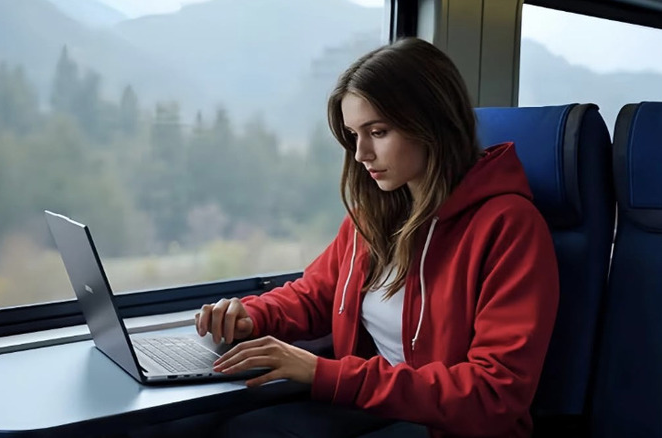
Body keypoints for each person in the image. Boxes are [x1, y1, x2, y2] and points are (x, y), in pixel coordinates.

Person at [194, 37, 559, 438]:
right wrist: (251, 316)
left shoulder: (509, 227)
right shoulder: (373, 218)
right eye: (353, 134)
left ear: (433, 124)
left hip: (451, 428)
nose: (360, 153)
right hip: (382, 409)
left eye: (378, 132)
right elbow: (315, 295)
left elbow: (493, 395)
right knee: (214, 425)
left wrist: (325, 372)